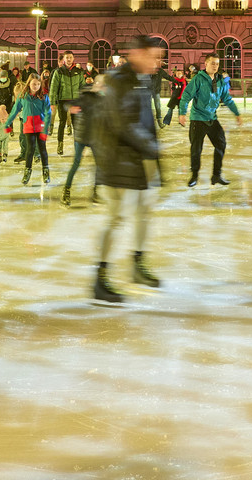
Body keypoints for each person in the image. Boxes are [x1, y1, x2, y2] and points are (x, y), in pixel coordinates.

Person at [91, 35, 165, 304]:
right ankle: (100, 279)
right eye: (154, 56)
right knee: (115, 219)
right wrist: (152, 149)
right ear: (137, 54)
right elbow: (122, 124)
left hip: (137, 161)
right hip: (116, 161)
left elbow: (145, 121)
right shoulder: (120, 81)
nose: (158, 62)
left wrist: (153, 156)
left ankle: (136, 265)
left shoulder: (141, 81)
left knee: (144, 211)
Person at [178, 53, 243, 186]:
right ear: (206, 64)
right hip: (198, 119)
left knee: (221, 144)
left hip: (212, 118)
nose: (215, 66)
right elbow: (186, 95)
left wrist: (236, 113)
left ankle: (216, 175)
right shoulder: (198, 79)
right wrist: (182, 113)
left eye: (217, 63)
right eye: (212, 63)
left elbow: (227, 98)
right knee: (196, 149)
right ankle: (194, 176)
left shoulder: (220, 80)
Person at [5, 73, 53, 185]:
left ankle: (45, 171)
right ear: (29, 84)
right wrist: (8, 124)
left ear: (40, 85)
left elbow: (48, 113)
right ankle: (27, 171)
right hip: (29, 126)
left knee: (42, 149)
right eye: (33, 84)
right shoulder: (22, 96)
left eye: (37, 84)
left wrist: (46, 128)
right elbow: (14, 111)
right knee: (30, 150)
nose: (35, 86)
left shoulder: (44, 96)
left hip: (40, 126)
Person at [62, 76, 104, 206]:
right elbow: (67, 104)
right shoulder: (87, 96)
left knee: (99, 165)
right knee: (76, 163)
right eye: (101, 84)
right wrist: (70, 107)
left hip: (95, 136)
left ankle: (96, 191)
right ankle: (66, 190)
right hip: (81, 136)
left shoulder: (105, 99)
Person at [49, 51, 85, 152]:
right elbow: (53, 88)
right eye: (67, 57)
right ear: (63, 59)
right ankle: (60, 144)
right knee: (62, 122)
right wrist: (52, 103)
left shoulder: (78, 72)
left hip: (75, 101)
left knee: (76, 124)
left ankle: (77, 145)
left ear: (73, 59)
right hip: (62, 101)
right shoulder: (59, 72)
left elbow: (83, 87)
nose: (69, 59)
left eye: (70, 57)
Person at [0, 65, 15, 164]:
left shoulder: (10, 84)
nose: (3, 78)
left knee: (7, 121)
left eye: (4, 77)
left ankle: (8, 132)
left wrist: (13, 104)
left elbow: (13, 95)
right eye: (1, 77)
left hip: (8, 105)